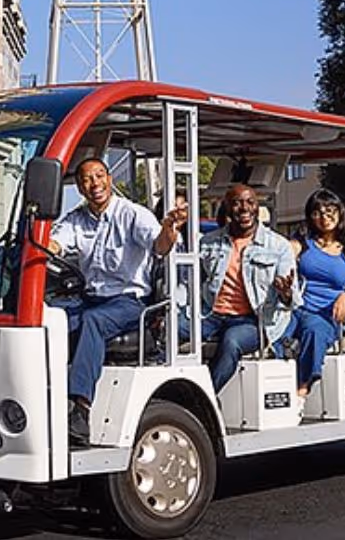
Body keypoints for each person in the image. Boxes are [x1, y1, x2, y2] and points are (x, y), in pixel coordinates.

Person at [49, 158, 186, 446]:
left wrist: (170, 230)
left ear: (110, 179)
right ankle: (43, 397)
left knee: (92, 322)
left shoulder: (133, 214)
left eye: (100, 176)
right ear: (80, 186)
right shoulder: (76, 218)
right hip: (91, 298)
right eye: (87, 179)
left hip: (129, 301)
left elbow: (159, 245)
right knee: (47, 318)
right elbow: (55, 244)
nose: (94, 183)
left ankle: (80, 408)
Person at [198, 184, 297, 394]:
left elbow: (292, 299)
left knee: (232, 341)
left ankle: (204, 398)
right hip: (211, 315)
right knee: (170, 329)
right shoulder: (208, 242)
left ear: (257, 206)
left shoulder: (278, 245)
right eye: (237, 203)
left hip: (255, 320)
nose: (244, 208)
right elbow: (190, 283)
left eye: (250, 202)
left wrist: (285, 294)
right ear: (226, 207)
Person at [275, 189, 345, 398]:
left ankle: (302, 388)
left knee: (314, 332)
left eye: (330, 211)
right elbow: (286, 251)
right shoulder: (304, 241)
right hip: (296, 307)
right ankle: (276, 388)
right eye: (317, 213)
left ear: (339, 212)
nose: (324, 217)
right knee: (273, 335)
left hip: (325, 312)